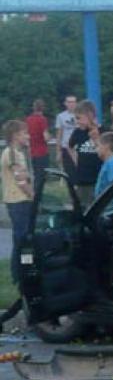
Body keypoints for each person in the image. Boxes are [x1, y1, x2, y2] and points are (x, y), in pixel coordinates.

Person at [1, 120, 34, 285]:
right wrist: (33, 195)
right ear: (15, 136)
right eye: (24, 133)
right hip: (18, 201)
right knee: (24, 239)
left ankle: (20, 271)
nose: (28, 136)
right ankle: (23, 271)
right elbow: (20, 180)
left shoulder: (16, 152)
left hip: (18, 201)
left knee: (22, 238)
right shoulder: (13, 154)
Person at [68, 99, 104, 208]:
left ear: (90, 115)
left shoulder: (103, 131)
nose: (77, 122)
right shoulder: (78, 132)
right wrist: (76, 161)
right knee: (82, 207)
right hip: (82, 179)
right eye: (76, 118)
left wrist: (97, 139)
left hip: (98, 178)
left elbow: (107, 154)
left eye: (79, 118)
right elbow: (70, 146)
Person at [25, 99, 51, 189]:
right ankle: (37, 197)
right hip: (42, 151)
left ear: (34, 108)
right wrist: (49, 136)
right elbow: (46, 137)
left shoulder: (28, 119)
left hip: (32, 152)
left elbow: (27, 136)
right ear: (42, 108)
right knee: (42, 176)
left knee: (36, 175)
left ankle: (34, 194)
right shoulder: (42, 119)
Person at [55, 95, 78, 180]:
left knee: (79, 170)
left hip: (78, 148)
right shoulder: (61, 116)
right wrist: (58, 151)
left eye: (73, 102)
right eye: (69, 102)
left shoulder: (81, 115)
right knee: (69, 172)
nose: (71, 104)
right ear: (65, 103)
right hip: (66, 147)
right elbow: (59, 135)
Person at [94, 132, 113, 198]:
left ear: (106, 146)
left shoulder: (112, 163)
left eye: (98, 146)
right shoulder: (107, 163)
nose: (96, 149)